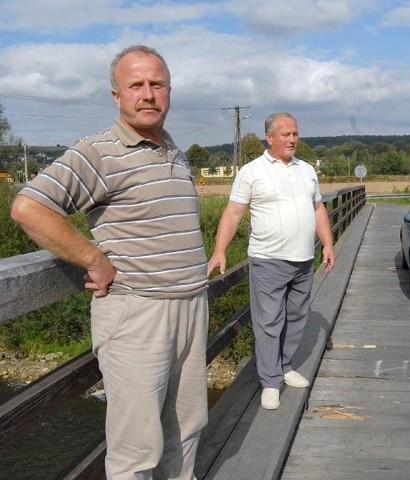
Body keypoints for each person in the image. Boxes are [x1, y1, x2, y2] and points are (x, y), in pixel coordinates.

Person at [11, 45, 209, 480]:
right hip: (138, 315)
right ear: (116, 96)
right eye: (135, 85)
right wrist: (92, 257)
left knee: (187, 430)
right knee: (136, 449)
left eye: (156, 84)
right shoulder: (98, 151)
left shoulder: (173, 149)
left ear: (169, 91)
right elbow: (29, 208)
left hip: (191, 309)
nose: (147, 94)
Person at [207, 112, 335, 410]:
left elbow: (318, 209)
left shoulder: (306, 171)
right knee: (269, 322)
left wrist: (327, 243)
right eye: (286, 134)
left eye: (295, 134)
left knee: (296, 317)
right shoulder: (251, 172)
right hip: (268, 260)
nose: (292, 139)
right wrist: (219, 249)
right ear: (270, 138)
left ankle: (285, 365)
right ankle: (270, 381)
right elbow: (234, 212)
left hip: (304, 259)